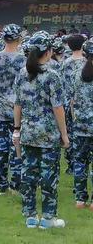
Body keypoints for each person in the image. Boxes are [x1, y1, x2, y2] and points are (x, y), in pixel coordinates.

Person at [13, 31, 68, 229]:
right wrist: (64, 134)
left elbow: (17, 104)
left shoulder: (22, 73)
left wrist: (17, 129)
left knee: (28, 175)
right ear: (48, 52)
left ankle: (29, 214)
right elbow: (58, 108)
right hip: (48, 133)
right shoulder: (52, 75)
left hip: (28, 131)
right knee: (49, 176)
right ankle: (48, 217)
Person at [0, 24, 25, 195]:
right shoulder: (24, 60)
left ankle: (2, 185)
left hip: (0, 110)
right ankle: (16, 183)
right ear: (18, 38)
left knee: (1, 148)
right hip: (20, 110)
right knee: (17, 147)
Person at [71, 39, 93, 208]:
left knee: (79, 162)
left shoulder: (76, 72)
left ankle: (80, 198)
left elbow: (71, 100)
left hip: (80, 126)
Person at [61, 33, 86, 174]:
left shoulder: (65, 63)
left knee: (69, 132)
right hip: (83, 104)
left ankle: (71, 165)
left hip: (66, 103)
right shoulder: (86, 62)